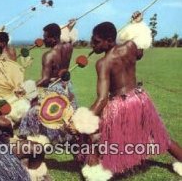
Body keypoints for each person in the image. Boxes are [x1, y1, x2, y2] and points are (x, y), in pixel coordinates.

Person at [74, 21, 182, 177]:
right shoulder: (130, 47)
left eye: (96, 42)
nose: (92, 45)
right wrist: (136, 25)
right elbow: (140, 54)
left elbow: (103, 99)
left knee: (97, 136)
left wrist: (82, 121)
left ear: (109, 40)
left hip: (121, 105)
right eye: (92, 41)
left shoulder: (103, 63)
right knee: (159, 136)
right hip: (140, 99)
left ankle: (95, 173)